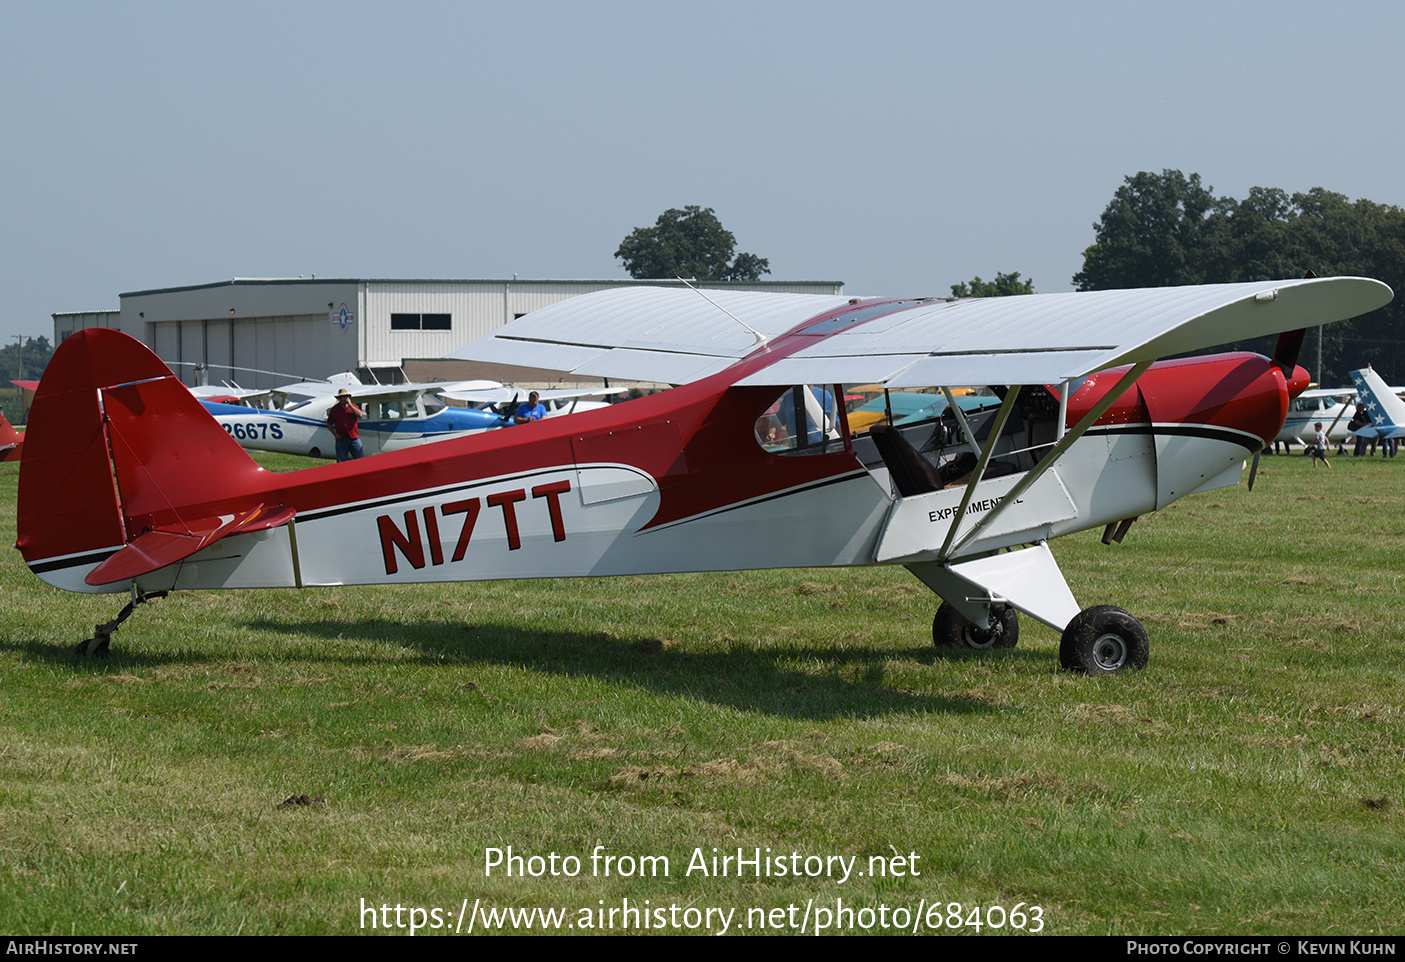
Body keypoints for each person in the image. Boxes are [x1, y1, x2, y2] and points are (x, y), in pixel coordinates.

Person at [327, 388, 365, 461]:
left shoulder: (354, 406)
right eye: (341, 397)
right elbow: (329, 423)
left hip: (354, 438)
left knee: (360, 460)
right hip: (341, 439)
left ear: (348, 398)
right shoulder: (335, 409)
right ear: (338, 399)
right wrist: (335, 434)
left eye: (345, 397)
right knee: (341, 461)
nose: (343, 399)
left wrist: (350, 404)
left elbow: (360, 415)